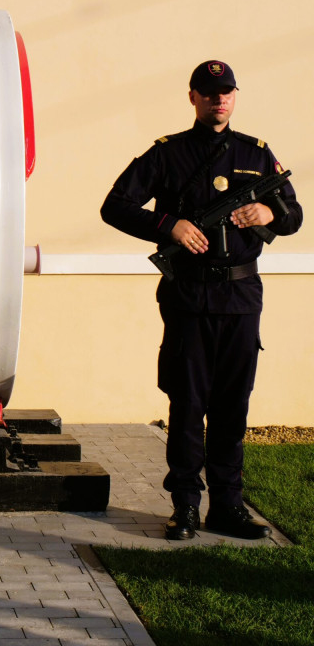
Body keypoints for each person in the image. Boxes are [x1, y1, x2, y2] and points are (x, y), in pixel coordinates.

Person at [100, 60, 302, 541]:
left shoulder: (257, 153)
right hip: (189, 295)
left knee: (234, 404)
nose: (220, 100)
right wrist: (168, 225)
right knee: (188, 403)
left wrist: (266, 211)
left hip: (240, 296)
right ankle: (186, 506)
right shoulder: (168, 154)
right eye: (210, 92)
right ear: (193, 97)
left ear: (234, 96)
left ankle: (227, 506)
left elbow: (292, 216)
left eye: (227, 92)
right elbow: (115, 205)